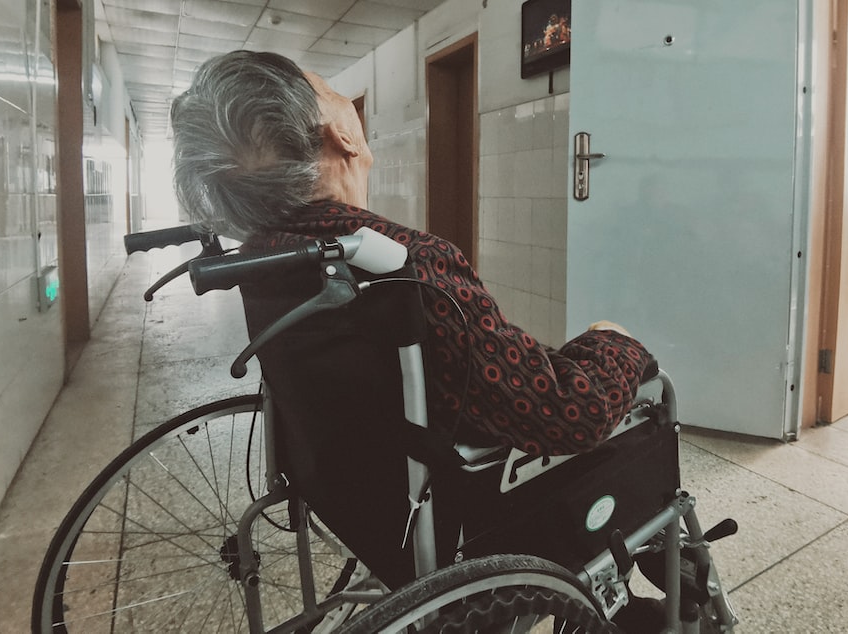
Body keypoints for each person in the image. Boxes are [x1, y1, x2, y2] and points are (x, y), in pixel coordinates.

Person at [170, 49, 654, 457]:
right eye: (330, 90)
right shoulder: (410, 264)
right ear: (342, 137)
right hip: (450, 503)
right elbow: (568, 417)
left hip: (349, 486)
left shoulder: (263, 256)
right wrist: (612, 341)